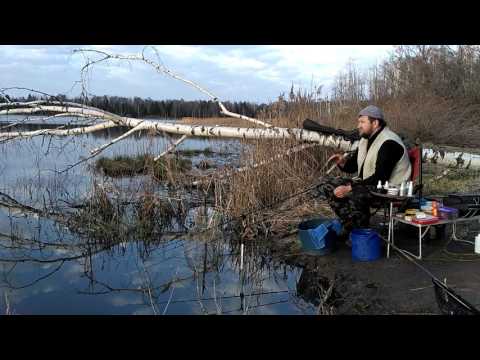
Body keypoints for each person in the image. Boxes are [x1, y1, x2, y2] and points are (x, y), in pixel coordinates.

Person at [316, 105, 411, 242]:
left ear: (375, 123)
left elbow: (381, 177)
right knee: (328, 185)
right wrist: (342, 162)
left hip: (389, 189)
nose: (358, 126)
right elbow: (353, 166)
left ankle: (361, 232)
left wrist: (349, 188)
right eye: (358, 122)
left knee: (354, 192)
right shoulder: (365, 140)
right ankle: (350, 225)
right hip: (370, 184)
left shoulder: (389, 142)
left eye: (362, 122)